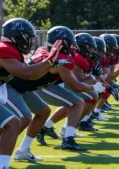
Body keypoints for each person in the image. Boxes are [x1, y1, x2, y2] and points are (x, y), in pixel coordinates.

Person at [0, 18, 68, 168]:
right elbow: (26, 73)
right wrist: (49, 61)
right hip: (8, 89)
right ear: (18, 35)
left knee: (13, 122)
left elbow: (31, 76)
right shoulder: (5, 49)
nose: (30, 41)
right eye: (28, 37)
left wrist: (48, 64)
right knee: (13, 123)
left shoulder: (12, 51)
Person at [92, 34, 119, 120]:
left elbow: (106, 75)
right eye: (113, 47)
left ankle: (93, 114)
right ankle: (90, 115)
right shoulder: (102, 57)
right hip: (82, 81)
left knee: (102, 89)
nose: (117, 49)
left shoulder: (106, 57)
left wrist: (111, 83)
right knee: (94, 94)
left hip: (92, 79)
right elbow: (108, 77)